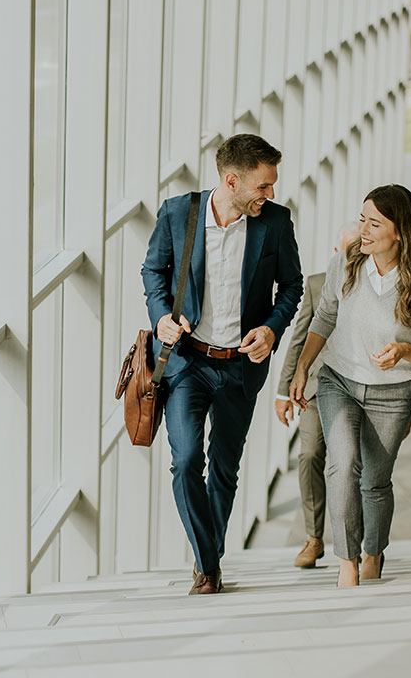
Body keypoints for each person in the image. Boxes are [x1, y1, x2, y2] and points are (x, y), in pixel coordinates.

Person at [142, 133, 304, 595]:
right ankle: (209, 562)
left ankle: (205, 562)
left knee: (225, 468)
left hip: (239, 366)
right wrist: (161, 319)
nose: (270, 194)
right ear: (232, 181)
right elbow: (153, 271)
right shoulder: (178, 214)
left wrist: (271, 329)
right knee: (188, 459)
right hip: (187, 362)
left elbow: (291, 286)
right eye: (263, 186)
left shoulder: (275, 223)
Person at [290, 185, 411, 587]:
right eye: (362, 219)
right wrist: (303, 367)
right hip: (338, 381)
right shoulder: (346, 264)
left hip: (391, 393)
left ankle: (374, 551)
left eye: (374, 222)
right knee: (342, 466)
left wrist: (405, 351)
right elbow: (323, 318)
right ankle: (348, 561)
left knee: (375, 481)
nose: (364, 229)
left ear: (400, 231)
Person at [274, 223, 361, 569]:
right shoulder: (315, 284)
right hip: (315, 388)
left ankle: (360, 543)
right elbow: (299, 340)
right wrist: (284, 391)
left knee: (355, 464)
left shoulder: (378, 285)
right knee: (310, 455)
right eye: (346, 250)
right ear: (336, 253)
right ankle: (313, 537)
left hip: (360, 389)